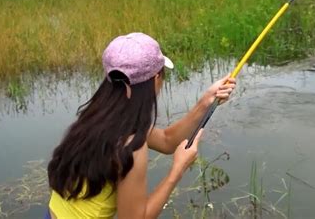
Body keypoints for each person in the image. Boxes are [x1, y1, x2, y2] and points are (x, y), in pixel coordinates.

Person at [46, 32, 236, 218]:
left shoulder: (98, 116)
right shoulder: (130, 146)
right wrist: (177, 169)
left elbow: (166, 141)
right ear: (155, 79)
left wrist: (205, 102)